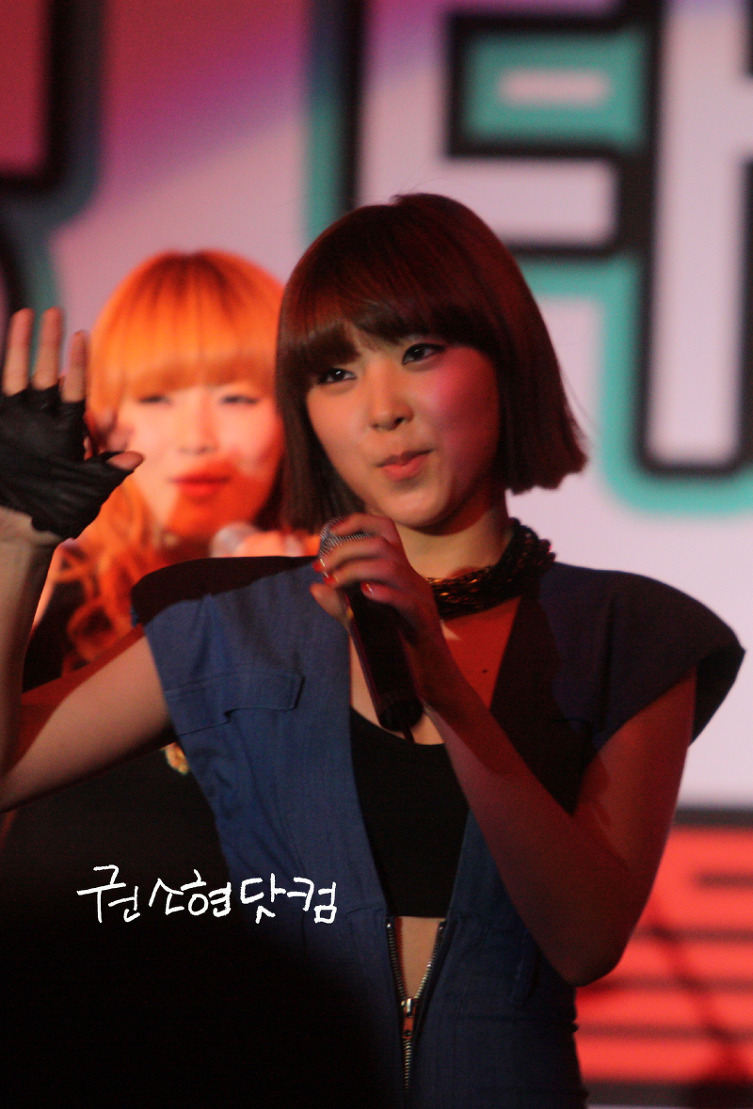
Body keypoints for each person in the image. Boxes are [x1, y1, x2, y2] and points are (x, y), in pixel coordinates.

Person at [0, 194, 743, 1108]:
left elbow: (585, 939)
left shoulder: (627, 632)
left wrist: (448, 693)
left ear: (505, 359)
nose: (382, 409)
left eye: (418, 352)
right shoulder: (233, 624)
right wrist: (18, 541)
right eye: (336, 373)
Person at [0, 251, 303, 1105]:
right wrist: (19, 547)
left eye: (237, 396)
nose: (198, 435)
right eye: (160, 397)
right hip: (59, 1013)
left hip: (279, 1021)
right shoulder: (42, 588)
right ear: (104, 412)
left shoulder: (339, 596)